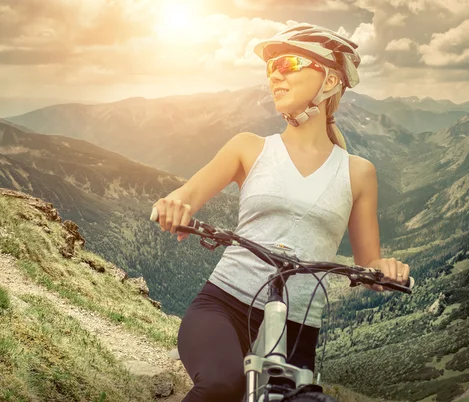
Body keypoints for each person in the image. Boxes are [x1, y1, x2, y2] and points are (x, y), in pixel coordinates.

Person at [151, 23, 411, 402]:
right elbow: (186, 196)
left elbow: (367, 264)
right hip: (225, 305)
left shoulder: (359, 173)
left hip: (298, 327)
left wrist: (385, 269)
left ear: (331, 82)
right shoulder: (250, 148)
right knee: (224, 385)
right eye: (270, 68)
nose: (275, 74)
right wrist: (172, 206)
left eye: (288, 63)